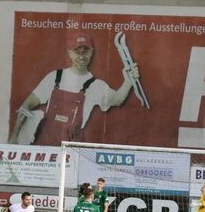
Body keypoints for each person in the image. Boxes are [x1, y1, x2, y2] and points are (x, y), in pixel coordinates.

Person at [8, 33, 140, 145]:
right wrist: (14, 138)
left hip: (71, 151)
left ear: (91, 53)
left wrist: (128, 81)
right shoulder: (55, 77)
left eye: (85, 52)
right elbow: (26, 106)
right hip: (44, 149)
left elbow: (118, 99)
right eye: (77, 52)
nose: (81, 56)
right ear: (70, 53)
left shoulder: (97, 85)